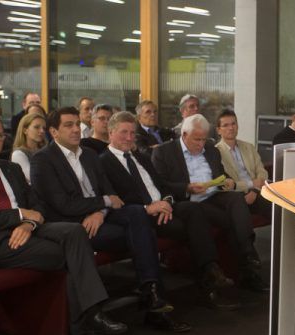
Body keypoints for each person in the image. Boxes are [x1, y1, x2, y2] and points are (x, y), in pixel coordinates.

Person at [0, 114, 126, 335]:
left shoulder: (10, 168)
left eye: (0, 135)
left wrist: (28, 224)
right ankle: (83, 329)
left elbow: (38, 207)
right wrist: (19, 216)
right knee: (67, 254)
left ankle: (91, 315)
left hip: (25, 230)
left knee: (74, 232)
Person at [30, 107, 191, 333]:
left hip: (99, 218)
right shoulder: (43, 160)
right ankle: (152, 302)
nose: (76, 129)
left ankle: (150, 290)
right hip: (72, 226)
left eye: (77, 123)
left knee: (136, 213)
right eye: (69, 125)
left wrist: (100, 211)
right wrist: (101, 204)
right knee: (142, 231)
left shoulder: (88, 155)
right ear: (53, 132)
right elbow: (63, 205)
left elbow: (112, 197)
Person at [100, 111, 239, 309]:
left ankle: (211, 270)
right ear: (110, 132)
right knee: (196, 225)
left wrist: (166, 201)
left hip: (166, 207)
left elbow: (163, 186)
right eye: (124, 132)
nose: (129, 138)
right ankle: (208, 279)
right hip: (143, 215)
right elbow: (115, 200)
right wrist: (150, 207)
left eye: (132, 133)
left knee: (194, 209)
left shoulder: (142, 157)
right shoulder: (103, 162)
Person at [152, 113, 268, 292]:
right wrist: (186, 187)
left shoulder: (210, 148)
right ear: (184, 135)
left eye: (203, 139)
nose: (200, 145)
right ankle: (242, 268)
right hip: (187, 200)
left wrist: (227, 181)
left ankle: (247, 255)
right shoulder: (164, 152)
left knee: (236, 199)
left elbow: (220, 174)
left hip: (213, 195)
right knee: (231, 220)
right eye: (196, 140)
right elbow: (160, 183)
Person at [214, 109, 271, 219]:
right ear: (218, 130)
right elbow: (228, 183)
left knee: (282, 202)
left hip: (257, 191)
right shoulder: (216, 152)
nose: (231, 128)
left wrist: (255, 190)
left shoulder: (248, 147)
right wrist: (251, 184)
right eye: (225, 125)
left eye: (233, 123)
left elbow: (262, 172)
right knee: (272, 206)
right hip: (238, 195)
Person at [11, 112, 47, 183]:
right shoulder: (18, 154)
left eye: (44, 128)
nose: (42, 131)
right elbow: (34, 178)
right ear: (25, 130)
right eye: (36, 127)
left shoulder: (46, 150)